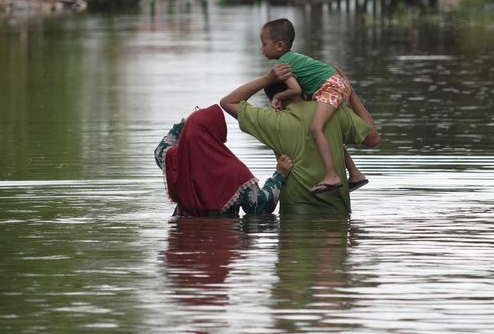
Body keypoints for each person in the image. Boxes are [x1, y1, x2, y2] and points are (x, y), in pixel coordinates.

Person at [220, 64, 380, 213]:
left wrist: (266, 78)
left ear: (274, 100)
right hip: (338, 217)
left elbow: (227, 102)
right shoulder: (334, 113)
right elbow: (373, 139)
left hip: (294, 220)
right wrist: (349, 92)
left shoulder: (273, 122)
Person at [259, 18, 368, 194]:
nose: (261, 49)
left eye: (264, 44)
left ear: (279, 45)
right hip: (331, 85)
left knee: (315, 129)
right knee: (325, 133)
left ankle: (332, 175)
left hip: (331, 86)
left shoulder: (282, 65)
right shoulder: (291, 58)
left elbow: (295, 89)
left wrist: (277, 96)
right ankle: (355, 174)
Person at [154, 104, 293, 217]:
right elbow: (258, 207)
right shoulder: (235, 171)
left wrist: (186, 122)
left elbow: (161, 148)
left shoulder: (177, 160)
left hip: (181, 235)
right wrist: (278, 177)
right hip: (222, 240)